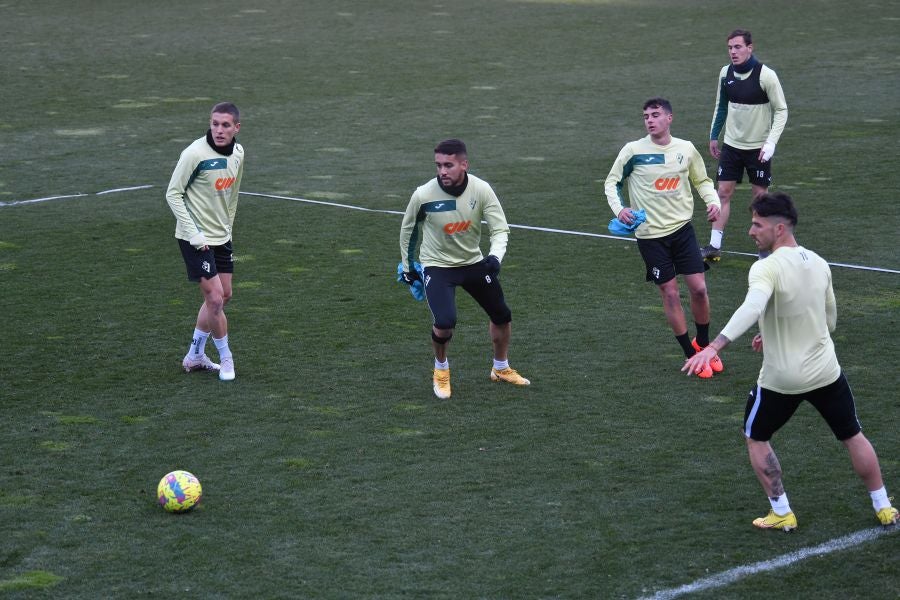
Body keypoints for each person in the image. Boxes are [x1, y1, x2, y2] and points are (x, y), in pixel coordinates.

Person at [684, 192, 898, 530]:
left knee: (756, 436)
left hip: (782, 380)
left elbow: (752, 307)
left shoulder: (765, 267)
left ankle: (782, 511)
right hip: (827, 372)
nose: (751, 231)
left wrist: (714, 347)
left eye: (757, 225)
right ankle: (884, 505)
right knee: (853, 435)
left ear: (779, 228)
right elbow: (828, 322)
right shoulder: (819, 262)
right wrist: (773, 331)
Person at [399, 139, 530, 399]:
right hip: (437, 267)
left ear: (464, 164)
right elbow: (408, 231)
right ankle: (441, 370)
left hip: (473, 262)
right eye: (438, 165)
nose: (442, 171)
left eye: (448, 165)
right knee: (445, 323)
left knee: (502, 315)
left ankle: (500, 368)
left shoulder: (481, 190)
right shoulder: (424, 194)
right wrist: (407, 266)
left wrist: (495, 258)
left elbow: (500, 228)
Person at [604, 98, 724, 378]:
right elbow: (611, 182)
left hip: (682, 231)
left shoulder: (685, 149)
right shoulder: (633, 151)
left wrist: (713, 200)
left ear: (669, 118)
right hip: (651, 237)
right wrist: (620, 208)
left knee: (699, 289)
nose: (650, 120)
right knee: (670, 293)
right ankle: (691, 354)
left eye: (655, 115)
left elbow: (702, 181)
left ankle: (704, 344)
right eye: (646, 115)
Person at [166, 102, 244, 382]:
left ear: (236, 128)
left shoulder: (238, 152)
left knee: (224, 296)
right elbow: (173, 194)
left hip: (221, 236)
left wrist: (229, 228)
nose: (219, 130)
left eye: (225, 125)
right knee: (214, 299)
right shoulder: (194, 154)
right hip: (194, 238)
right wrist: (195, 234)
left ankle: (195, 356)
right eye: (215, 124)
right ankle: (226, 358)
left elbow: (233, 193)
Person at [703, 29, 788, 261]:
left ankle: (762, 251)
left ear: (750, 48)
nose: (733, 52)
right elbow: (721, 106)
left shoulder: (766, 75)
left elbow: (781, 110)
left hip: (758, 147)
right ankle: (714, 245)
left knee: (760, 198)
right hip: (731, 145)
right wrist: (714, 136)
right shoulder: (725, 73)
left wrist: (771, 143)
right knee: (722, 192)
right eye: (730, 48)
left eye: (738, 47)